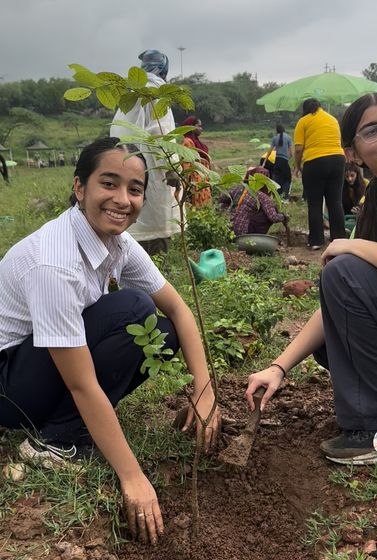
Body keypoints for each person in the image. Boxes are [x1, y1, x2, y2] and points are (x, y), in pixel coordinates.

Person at [0, 137, 220, 544]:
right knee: (133, 308)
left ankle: (68, 426)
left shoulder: (117, 242)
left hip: (38, 363)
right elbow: (82, 382)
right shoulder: (55, 261)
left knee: (162, 333)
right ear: (80, 187)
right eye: (109, 183)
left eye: (134, 189)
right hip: (7, 383)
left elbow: (180, 311)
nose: (122, 199)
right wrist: (132, 476)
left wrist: (204, 389)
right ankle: (56, 441)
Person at [246, 93, 377, 465]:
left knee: (344, 267)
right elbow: (342, 300)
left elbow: (351, 269)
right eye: (371, 130)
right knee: (337, 331)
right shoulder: (376, 207)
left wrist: (357, 248)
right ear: (353, 154)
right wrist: (278, 367)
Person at [111, 49, 181, 256]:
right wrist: (172, 171)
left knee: (132, 223)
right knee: (154, 229)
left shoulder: (131, 94)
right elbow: (163, 135)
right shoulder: (157, 94)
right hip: (150, 169)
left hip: (123, 165)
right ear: (163, 69)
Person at [293, 98, 346, 249]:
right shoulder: (332, 119)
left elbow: (298, 149)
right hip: (338, 159)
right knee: (335, 202)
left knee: (315, 204)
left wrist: (297, 166)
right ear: (320, 107)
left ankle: (316, 241)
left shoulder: (303, 121)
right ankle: (339, 239)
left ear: (305, 109)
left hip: (315, 161)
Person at [232, 167, 287, 236]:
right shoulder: (262, 196)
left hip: (229, 228)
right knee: (269, 211)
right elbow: (273, 217)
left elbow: (221, 199)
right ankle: (255, 236)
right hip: (244, 232)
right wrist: (283, 217)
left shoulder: (238, 189)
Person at [181, 116, 212, 208]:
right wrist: (188, 182)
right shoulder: (188, 142)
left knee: (206, 206)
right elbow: (186, 163)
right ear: (191, 127)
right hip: (196, 179)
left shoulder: (197, 142)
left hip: (203, 177)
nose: (201, 129)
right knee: (198, 205)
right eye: (199, 126)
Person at [269, 123, 293, 201]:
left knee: (278, 179)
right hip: (284, 161)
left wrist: (265, 161)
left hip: (277, 161)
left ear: (277, 130)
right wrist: (290, 160)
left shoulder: (274, 138)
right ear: (284, 129)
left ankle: (277, 197)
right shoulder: (288, 137)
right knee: (287, 179)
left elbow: (270, 151)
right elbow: (291, 152)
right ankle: (285, 197)